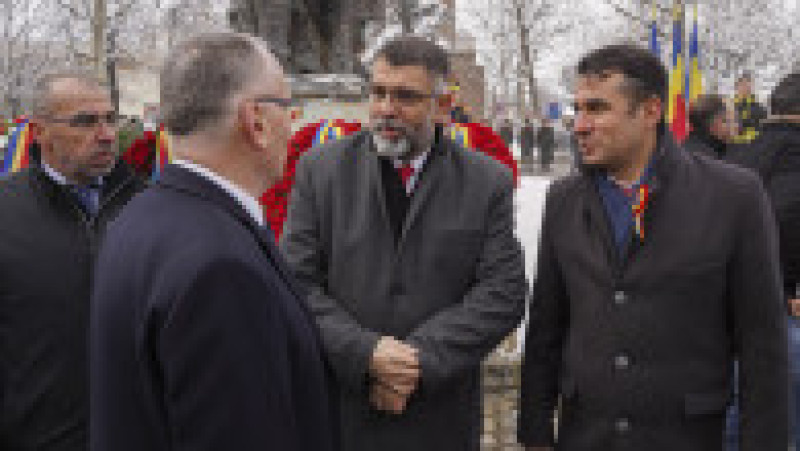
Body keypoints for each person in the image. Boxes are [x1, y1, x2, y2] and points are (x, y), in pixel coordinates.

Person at [517, 43, 788, 451]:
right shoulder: (563, 199)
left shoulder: (735, 197)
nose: (579, 124)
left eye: (597, 109)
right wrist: (536, 434)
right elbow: (546, 330)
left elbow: (762, 347)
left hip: (687, 438)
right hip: (586, 437)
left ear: (649, 112)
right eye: (579, 109)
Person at [90, 32, 336, 451]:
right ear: (256, 121)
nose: (292, 126)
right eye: (286, 107)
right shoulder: (222, 266)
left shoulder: (139, 216)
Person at [280, 35, 527, 451]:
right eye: (378, 93)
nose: (386, 110)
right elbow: (294, 283)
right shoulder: (320, 171)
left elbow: (503, 294)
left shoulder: (486, 182)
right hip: (341, 415)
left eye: (406, 97)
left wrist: (416, 363)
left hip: (439, 419)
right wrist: (366, 354)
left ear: (443, 106)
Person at [0, 72, 144, 450]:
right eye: (85, 121)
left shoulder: (149, 208)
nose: (107, 134)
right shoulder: (6, 212)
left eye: (111, 119)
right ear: (39, 131)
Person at [728, 71, 800, 450]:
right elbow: (786, 216)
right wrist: (787, 285)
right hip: (781, 308)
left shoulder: (739, 153)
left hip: (728, 309)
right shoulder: (794, 155)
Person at [683, 94, 735, 159]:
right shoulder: (701, 156)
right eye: (726, 121)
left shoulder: (719, 149)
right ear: (708, 124)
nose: (732, 127)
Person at [733, 72, 767, 144]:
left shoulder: (759, 108)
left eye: (749, 84)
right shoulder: (729, 107)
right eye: (743, 84)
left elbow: (763, 129)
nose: (747, 87)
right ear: (736, 87)